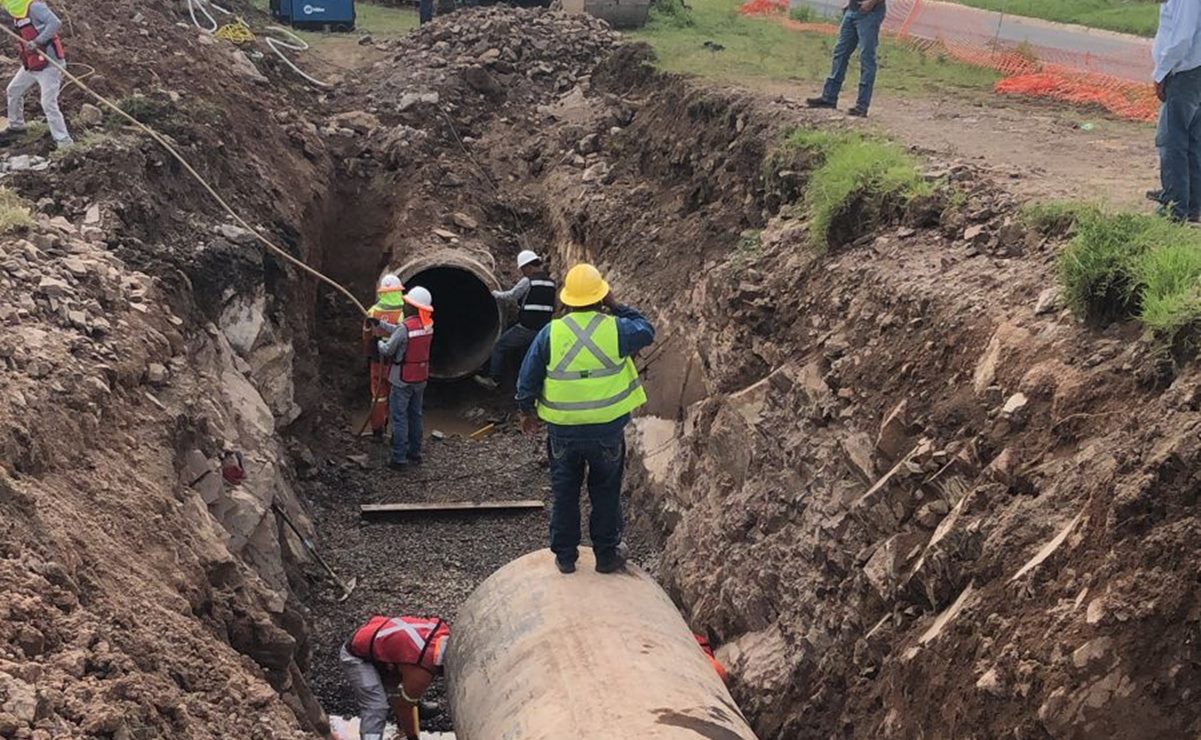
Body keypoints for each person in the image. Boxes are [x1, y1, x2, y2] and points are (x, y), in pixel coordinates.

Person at [515, 263, 654, 575]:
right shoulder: (617, 329)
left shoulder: (551, 333)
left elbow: (527, 379)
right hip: (606, 431)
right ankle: (606, 554)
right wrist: (617, 306)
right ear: (601, 297)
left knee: (564, 491)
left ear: (566, 300)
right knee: (605, 491)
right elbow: (647, 330)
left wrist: (526, 412)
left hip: (563, 430)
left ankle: (565, 557)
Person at [340, 615, 450, 740]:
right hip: (356, 655)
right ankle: (371, 737)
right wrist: (412, 737)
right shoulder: (422, 667)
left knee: (399, 688)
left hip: (381, 640)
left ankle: (414, 707)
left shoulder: (442, 632)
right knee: (376, 706)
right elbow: (404, 706)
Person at [475, 249, 557, 391]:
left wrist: (493, 292)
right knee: (527, 355)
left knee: (500, 346)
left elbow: (511, 296)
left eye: (523, 270)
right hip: (543, 329)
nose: (522, 273)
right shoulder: (551, 283)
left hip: (526, 327)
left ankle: (493, 380)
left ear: (528, 267)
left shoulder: (528, 281)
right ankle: (525, 384)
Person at [1152, 0, 1201, 223]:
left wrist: (1161, 72)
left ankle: (1175, 206)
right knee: (1191, 141)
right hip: (1194, 72)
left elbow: (1181, 39)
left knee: (1172, 141)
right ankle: (1191, 204)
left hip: (1185, 73)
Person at [377, 286, 434, 471]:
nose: (404, 305)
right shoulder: (428, 325)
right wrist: (381, 324)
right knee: (415, 415)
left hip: (402, 379)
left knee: (399, 417)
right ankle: (415, 453)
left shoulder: (404, 329)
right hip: (420, 377)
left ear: (414, 307)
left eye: (408, 303)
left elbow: (388, 350)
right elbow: (402, 331)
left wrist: (378, 342)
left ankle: (399, 458)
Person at [0, 0, 71, 148]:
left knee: (48, 103)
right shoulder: (15, 11)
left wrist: (38, 41)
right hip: (32, 63)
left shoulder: (34, 6)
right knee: (14, 90)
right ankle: (16, 127)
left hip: (49, 63)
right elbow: (4, 17)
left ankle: (64, 142)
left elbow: (55, 23)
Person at [805, 0, 886, 118]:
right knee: (840, 53)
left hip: (870, 13)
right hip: (853, 10)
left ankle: (862, 106)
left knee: (866, 58)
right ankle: (829, 98)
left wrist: (871, 2)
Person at [364, 274, 405, 438]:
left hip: (376, 360)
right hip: (396, 361)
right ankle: (395, 431)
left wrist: (367, 352)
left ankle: (377, 431)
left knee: (378, 395)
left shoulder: (372, 312)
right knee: (396, 394)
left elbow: (366, 335)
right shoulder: (402, 313)